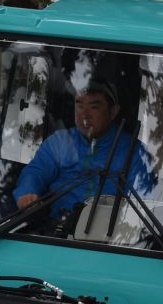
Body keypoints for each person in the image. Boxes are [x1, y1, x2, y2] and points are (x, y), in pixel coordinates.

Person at [13, 78, 155, 216]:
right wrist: (27, 194)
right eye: (80, 106)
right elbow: (36, 172)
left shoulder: (136, 153)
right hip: (56, 227)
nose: (84, 115)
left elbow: (140, 207)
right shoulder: (60, 142)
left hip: (110, 230)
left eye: (94, 107)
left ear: (113, 111)